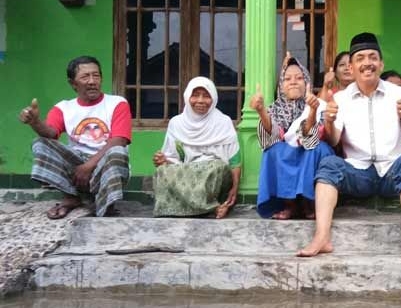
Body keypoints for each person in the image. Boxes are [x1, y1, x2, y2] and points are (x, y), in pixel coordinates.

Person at [297, 32, 401, 259]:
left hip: (392, 171)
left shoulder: (398, 94)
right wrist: (329, 121)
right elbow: (332, 141)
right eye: (360, 58)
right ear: (351, 67)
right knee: (329, 164)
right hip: (357, 173)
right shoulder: (340, 99)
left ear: (381, 64)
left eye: (372, 57)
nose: (367, 63)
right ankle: (322, 237)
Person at [19, 56, 131, 219]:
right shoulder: (64, 107)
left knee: (118, 151)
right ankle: (71, 197)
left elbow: (119, 140)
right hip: (75, 167)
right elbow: (51, 133)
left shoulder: (117, 103)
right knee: (40, 143)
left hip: (104, 164)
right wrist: (35, 122)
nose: (92, 81)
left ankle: (105, 203)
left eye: (96, 75)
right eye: (85, 77)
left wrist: (88, 166)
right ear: (73, 83)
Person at [252, 54, 334, 220]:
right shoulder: (274, 109)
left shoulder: (318, 105)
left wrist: (311, 111)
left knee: (315, 149)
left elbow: (311, 137)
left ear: (307, 83)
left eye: (299, 78)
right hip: (290, 153)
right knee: (274, 150)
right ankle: (290, 204)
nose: (293, 81)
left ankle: (309, 202)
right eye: (287, 79)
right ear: (281, 86)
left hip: (312, 148)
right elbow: (272, 136)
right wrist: (261, 111)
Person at [152, 77, 241, 219]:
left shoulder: (223, 122)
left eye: (206, 96)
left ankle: (203, 206)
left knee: (213, 168)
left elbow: (235, 161)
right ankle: (210, 208)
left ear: (214, 99)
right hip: (187, 169)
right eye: (195, 95)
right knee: (162, 171)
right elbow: (175, 159)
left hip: (214, 171)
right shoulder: (177, 123)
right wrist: (163, 160)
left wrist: (235, 188)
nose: (200, 101)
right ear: (187, 97)